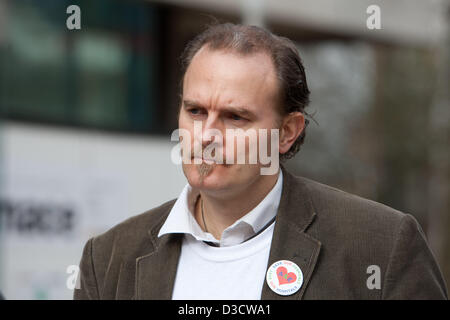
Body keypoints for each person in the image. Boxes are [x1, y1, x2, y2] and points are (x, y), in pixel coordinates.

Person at [74, 23, 448, 300]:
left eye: (236, 117)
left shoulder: (380, 246)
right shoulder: (108, 259)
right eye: (195, 110)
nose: (207, 135)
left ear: (287, 132)